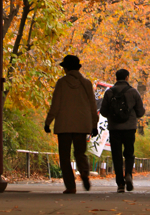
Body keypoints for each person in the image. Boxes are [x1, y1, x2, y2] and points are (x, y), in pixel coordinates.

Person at [44, 55, 99, 194]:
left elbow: (55, 105)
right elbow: (93, 106)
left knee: (64, 156)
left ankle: (70, 186)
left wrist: (48, 121)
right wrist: (94, 125)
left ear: (66, 68)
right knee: (80, 153)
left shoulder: (61, 83)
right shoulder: (87, 83)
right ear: (78, 68)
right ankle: (85, 175)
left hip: (64, 125)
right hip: (82, 124)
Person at [100, 68, 145, 193]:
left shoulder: (109, 92)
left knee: (116, 155)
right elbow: (141, 112)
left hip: (114, 128)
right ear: (127, 78)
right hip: (129, 128)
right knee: (129, 153)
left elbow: (103, 112)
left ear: (116, 78)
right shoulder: (133, 92)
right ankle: (128, 174)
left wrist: (112, 114)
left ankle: (120, 183)